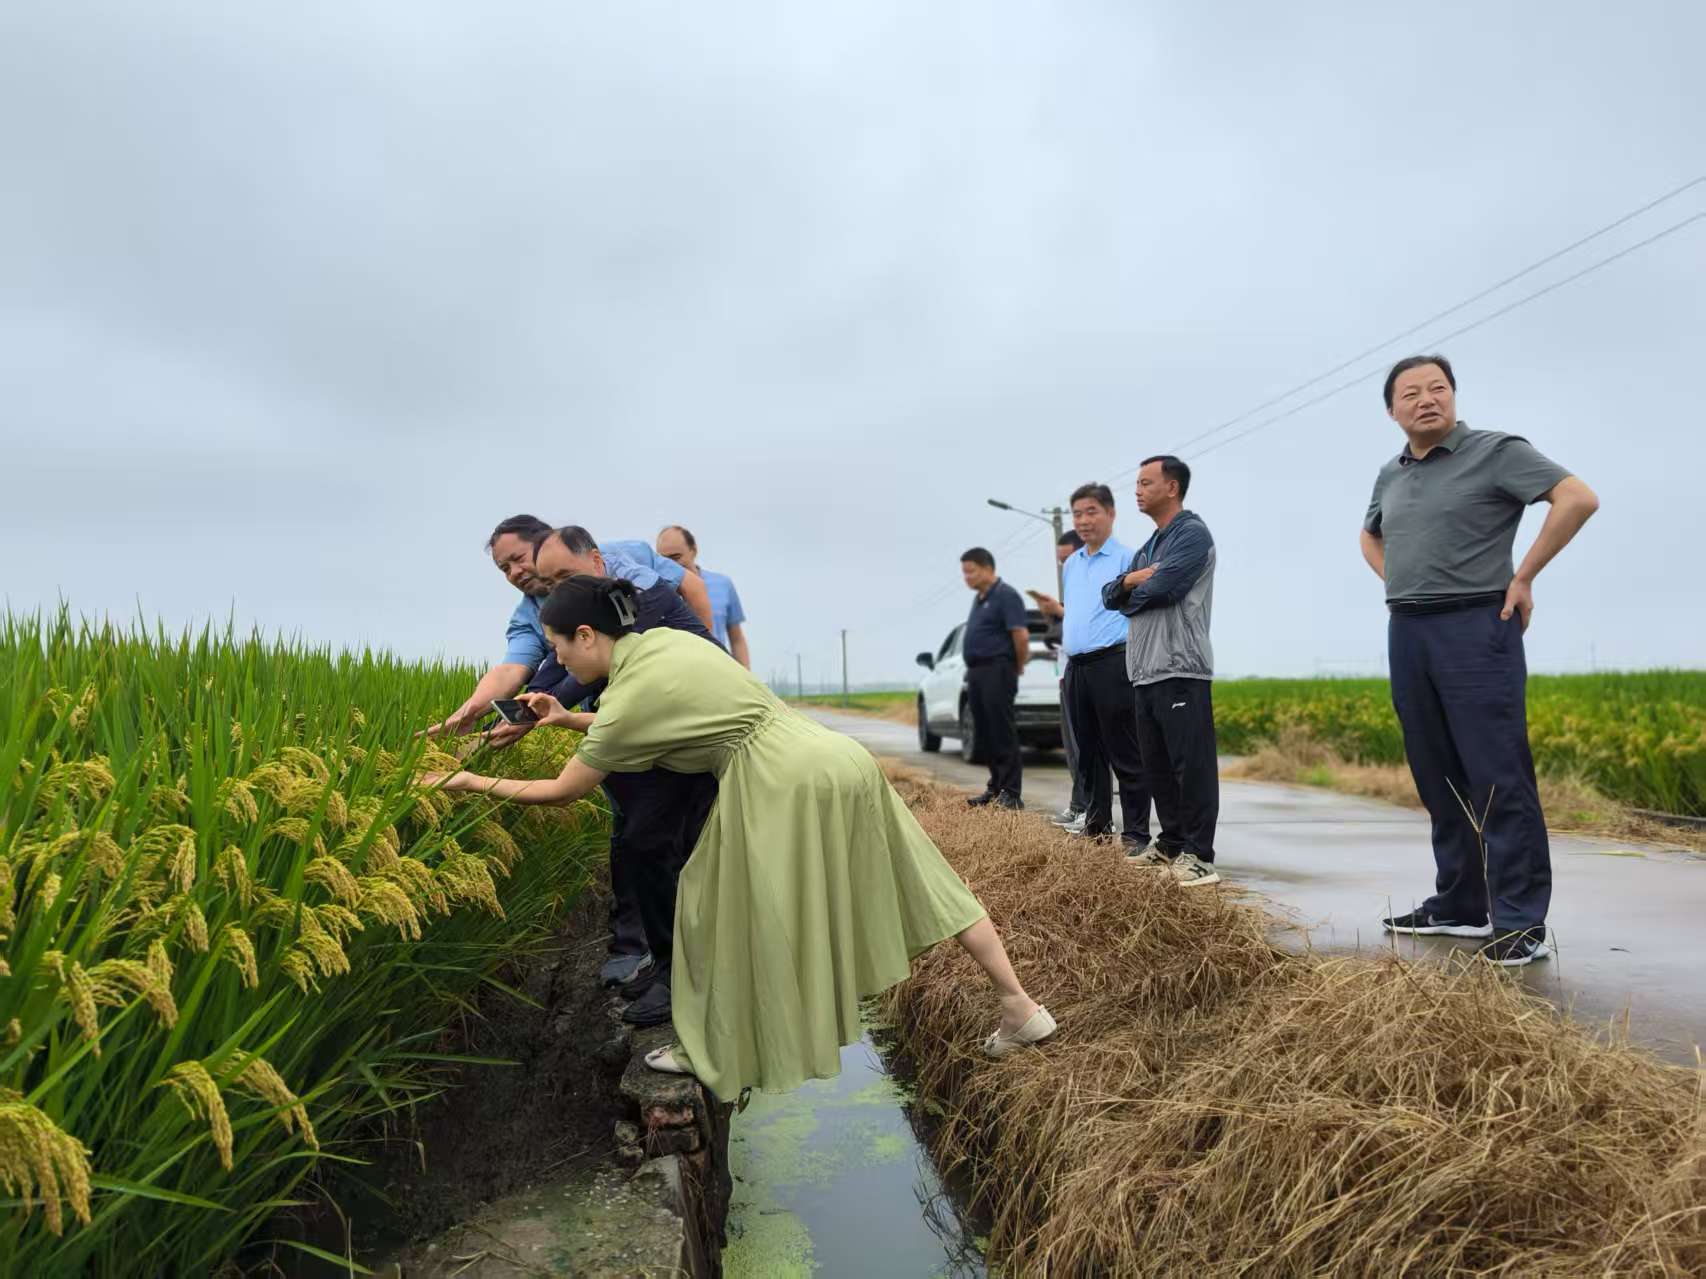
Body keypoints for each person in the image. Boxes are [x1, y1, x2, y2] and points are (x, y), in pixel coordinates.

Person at [421, 576, 1058, 1098]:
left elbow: (562, 789)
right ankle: (1019, 1006)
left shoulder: (628, 696)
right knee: (928, 883)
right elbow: (654, 715)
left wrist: (466, 780)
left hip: (778, 779)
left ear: (587, 635)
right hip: (836, 757)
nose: (557, 661)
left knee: (709, 908)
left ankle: (719, 1054)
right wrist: (568, 717)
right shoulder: (669, 643)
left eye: (559, 647)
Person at [1362, 355, 1598, 967]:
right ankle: (1460, 903)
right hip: (1408, 628)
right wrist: (1401, 579)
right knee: (1436, 773)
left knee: (1497, 773)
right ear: (1392, 410)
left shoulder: (1496, 451)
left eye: (1438, 388)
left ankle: (1519, 920)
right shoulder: (1391, 472)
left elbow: (1576, 498)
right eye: (1410, 393)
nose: (1426, 399)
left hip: (1477, 625)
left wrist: (1523, 576)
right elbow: (1370, 533)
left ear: (1454, 397)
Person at [527, 526, 726, 1026]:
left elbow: (577, 680)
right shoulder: (592, 610)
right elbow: (556, 668)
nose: (554, 589)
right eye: (546, 582)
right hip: (665, 743)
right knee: (644, 846)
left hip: (696, 745)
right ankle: (665, 968)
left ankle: (685, 984)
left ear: (597, 561)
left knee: (668, 853)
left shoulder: (637, 603)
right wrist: (513, 714)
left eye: (564, 576)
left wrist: (469, 777)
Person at [1103, 456, 1220, 887]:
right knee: (1157, 765)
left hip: (1180, 666)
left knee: (1191, 766)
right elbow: (1110, 594)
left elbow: (1166, 588)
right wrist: (1133, 583)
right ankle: (1171, 842)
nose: (1136, 489)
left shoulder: (1191, 534)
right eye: (1136, 482)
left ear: (1171, 487)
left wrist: (1133, 589)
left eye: (1145, 482)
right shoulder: (1148, 547)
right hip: (1145, 669)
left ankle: (1200, 855)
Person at [1028, 485, 1151, 848]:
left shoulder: (1129, 559)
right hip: (1077, 667)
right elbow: (1082, 614)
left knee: (1124, 753)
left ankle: (1136, 835)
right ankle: (1097, 829)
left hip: (1112, 663)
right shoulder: (1071, 564)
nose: (1083, 520)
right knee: (1088, 754)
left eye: (1091, 511)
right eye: (1077, 513)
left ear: (1111, 513)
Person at [958, 547, 1029, 810]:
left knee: (1001, 730)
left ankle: (1011, 792)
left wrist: (1016, 667)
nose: (966, 577)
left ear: (987, 568)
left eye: (970, 571)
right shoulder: (980, 598)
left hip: (998, 670)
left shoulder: (1006, 595)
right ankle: (996, 787)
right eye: (964, 572)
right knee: (985, 732)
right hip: (977, 673)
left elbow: (1020, 636)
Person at [1031, 531, 1087, 829]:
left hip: (1085, 673)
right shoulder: (1072, 583)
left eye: (1066, 558)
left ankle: (1090, 810)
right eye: (1060, 560)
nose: (1063, 564)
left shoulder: (1092, 581)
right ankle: (1079, 805)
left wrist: (1059, 611)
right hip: (1067, 673)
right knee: (1073, 746)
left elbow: (1090, 620)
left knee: (1086, 747)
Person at [656, 525, 751, 669]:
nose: (670, 564)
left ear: (693, 550)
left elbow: (736, 638)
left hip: (717, 669)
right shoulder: (654, 591)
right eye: (663, 559)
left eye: (676, 557)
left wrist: (746, 676)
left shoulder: (723, 584)